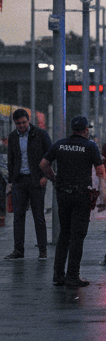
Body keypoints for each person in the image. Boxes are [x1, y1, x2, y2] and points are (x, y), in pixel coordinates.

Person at [39, 116, 104, 286]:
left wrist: (54, 178)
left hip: (63, 195)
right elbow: (100, 172)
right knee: (77, 236)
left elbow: (43, 164)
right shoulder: (90, 146)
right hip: (82, 196)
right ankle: (73, 276)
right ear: (86, 130)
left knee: (64, 234)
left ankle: (58, 276)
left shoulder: (60, 144)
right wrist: (102, 195)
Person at [4, 109, 53, 260]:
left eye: (24, 122)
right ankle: (18, 250)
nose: (22, 126)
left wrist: (45, 176)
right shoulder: (12, 137)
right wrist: (12, 181)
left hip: (36, 180)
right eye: (18, 124)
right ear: (15, 123)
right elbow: (11, 159)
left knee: (38, 216)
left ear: (29, 120)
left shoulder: (40, 134)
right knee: (18, 216)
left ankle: (42, 250)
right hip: (19, 181)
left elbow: (50, 155)